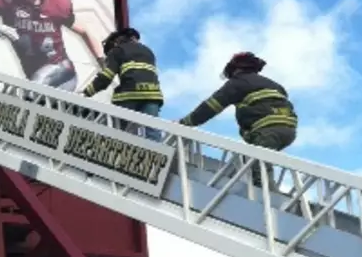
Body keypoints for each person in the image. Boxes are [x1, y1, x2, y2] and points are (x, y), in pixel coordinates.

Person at [178, 52, 297, 186]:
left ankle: (267, 197)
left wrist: (184, 123)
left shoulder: (238, 83)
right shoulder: (275, 85)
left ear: (236, 69)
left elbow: (211, 107)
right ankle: (267, 189)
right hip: (289, 131)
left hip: (267, 129)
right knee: (259, 160)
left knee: (257, 165)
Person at [82, 27, 163, 141]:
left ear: (116, 41)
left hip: (129, 95)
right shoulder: (148, 52)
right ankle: (157, 156)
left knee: (120, 131)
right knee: (153, 132)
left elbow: (106, 77)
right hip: (152, 95)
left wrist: (88, 91)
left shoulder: (118, 50)